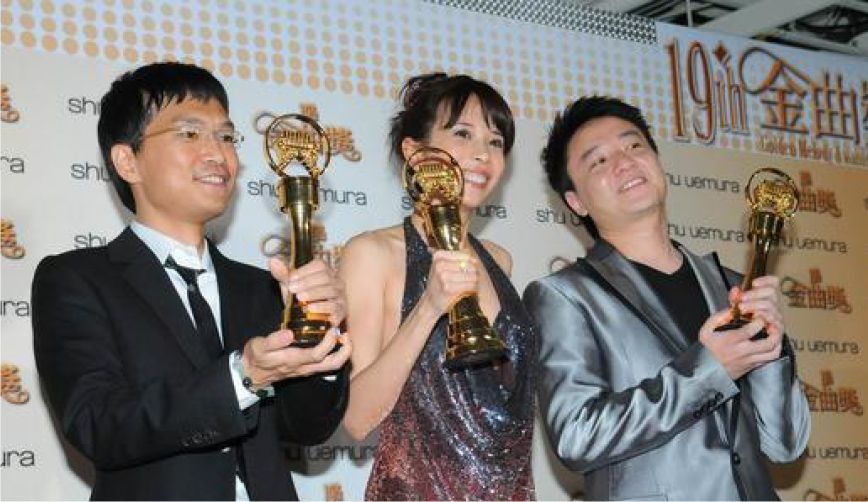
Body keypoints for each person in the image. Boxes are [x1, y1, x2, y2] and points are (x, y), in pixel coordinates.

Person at [32, 62, 352, 500]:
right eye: (189, 133)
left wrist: (321, 344)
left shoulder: (261, 287)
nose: (217, 153)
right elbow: (97, 423)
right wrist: (242, 376)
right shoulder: (77, 279)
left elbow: (307, 427)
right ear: (128, 161)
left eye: (226, 136)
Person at [524, 96, 810, 500]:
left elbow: (784, 446)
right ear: (576, 202)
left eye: (634, 145)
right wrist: (709, 370)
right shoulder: (565, 296)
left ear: (658, 163)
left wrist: (772, 355)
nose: (624, 162)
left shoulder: (731, 286)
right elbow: (577, 436)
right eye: (599, 161)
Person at [339, 73, 536, 500]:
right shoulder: (373, 254)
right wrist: (428, 308)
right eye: (463, 134)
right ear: (415, 152)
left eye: (496, 141)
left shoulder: (499, 261)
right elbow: (356, 419)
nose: (482, 154)